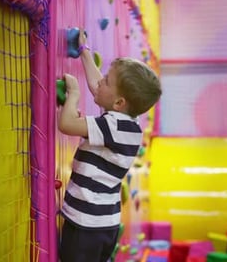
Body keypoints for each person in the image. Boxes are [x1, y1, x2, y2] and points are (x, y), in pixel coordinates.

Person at [58, 30, 162, 262]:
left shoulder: (112, 126)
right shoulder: (128, 125)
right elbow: (99, 89)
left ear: (119, 102)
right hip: (103, 225)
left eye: (107, 80)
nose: (100, 82)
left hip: (86, 223)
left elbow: (66, 124)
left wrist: (73, 94)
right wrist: (84, 51)